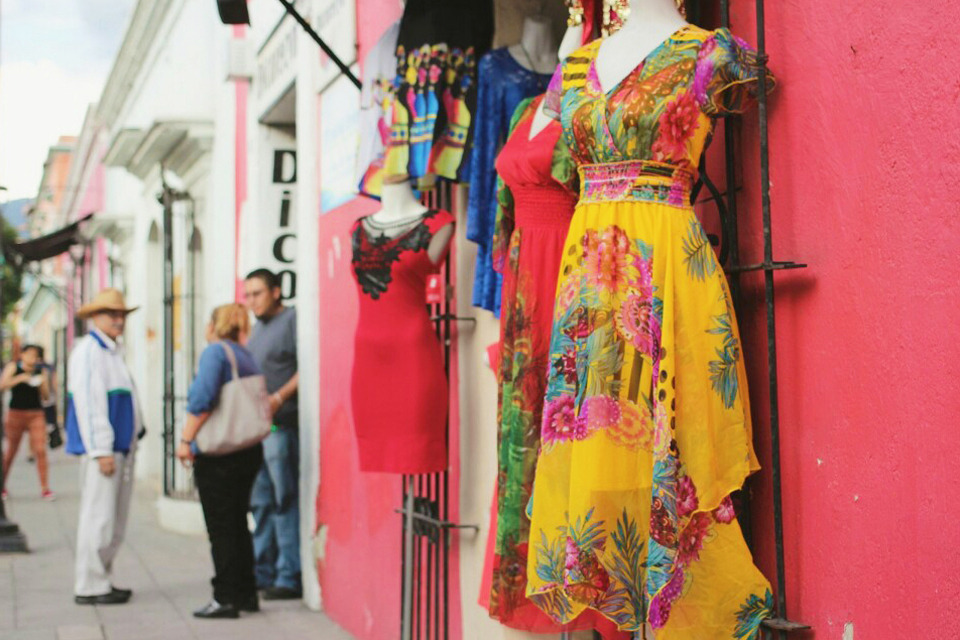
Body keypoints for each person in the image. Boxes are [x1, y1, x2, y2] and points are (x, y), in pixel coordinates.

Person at [177, 304, 264, 619]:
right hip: (248, 450)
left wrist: (186, 440)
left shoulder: (216, 353)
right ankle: (246, 593)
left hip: (220, 454)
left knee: (222, 528)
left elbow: (202, 399)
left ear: (214, 324)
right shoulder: (245, 355)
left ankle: (225, 597)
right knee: (238, 523)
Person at [66, 288, 140, 606]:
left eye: (121, 314)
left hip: (120, 447)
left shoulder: (112, 352)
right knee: (99, 517)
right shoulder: (89, 352)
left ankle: (101, 578)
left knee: (113, 519)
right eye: (112, 314)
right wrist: (101, 450)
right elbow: (89, 403)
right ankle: (90, 584)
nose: (118, 320)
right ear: (96, 317)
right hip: (106, 451)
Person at [244, 269, 302, 600]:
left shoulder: (292, 320)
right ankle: (262, 572)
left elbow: (306, 367)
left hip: (282, 427)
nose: (252, 301)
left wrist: (279, 397)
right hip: (258, 432)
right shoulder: (256, 330)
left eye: (258, 294)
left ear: (276, 292)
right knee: (262, 504)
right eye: (248, 295)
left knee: (284, 499)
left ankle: (288, 575)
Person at [0, 344, 53, 500]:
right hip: (16, 413)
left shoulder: (40, 371)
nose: (32, 358)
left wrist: (42, 384)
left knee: (40, 450)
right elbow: (2, 386)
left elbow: (46, 397)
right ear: (22, 355)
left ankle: (45, 488)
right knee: (11, 451)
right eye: (29, 354)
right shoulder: (13, 367)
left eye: (35, 355)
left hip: (36, 414)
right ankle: (2, 486)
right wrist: (20, 378)